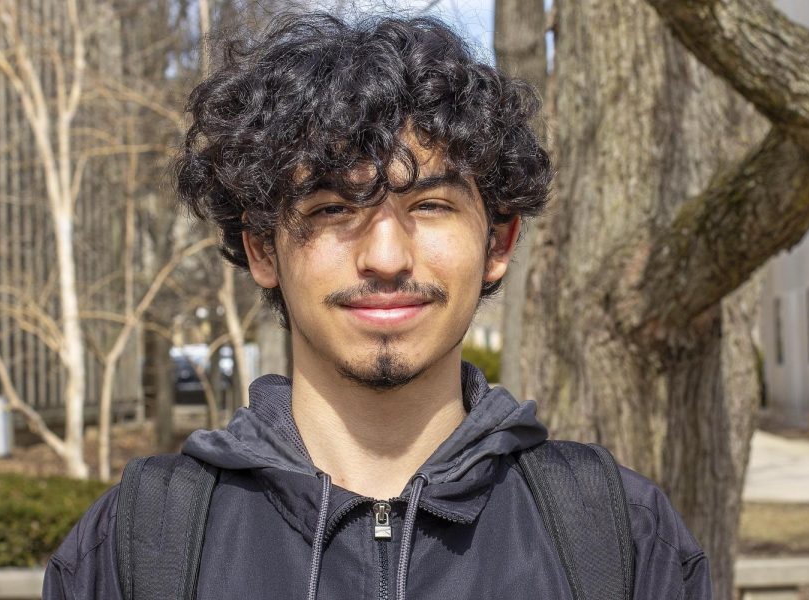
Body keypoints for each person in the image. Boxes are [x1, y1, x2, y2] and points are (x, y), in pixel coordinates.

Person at [43, 12, 711, 600]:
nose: (386, 256)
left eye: (430, 205)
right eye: (333, 208)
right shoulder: (134, 548)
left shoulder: (621, 537)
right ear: (263, 249)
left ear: (498, 241)